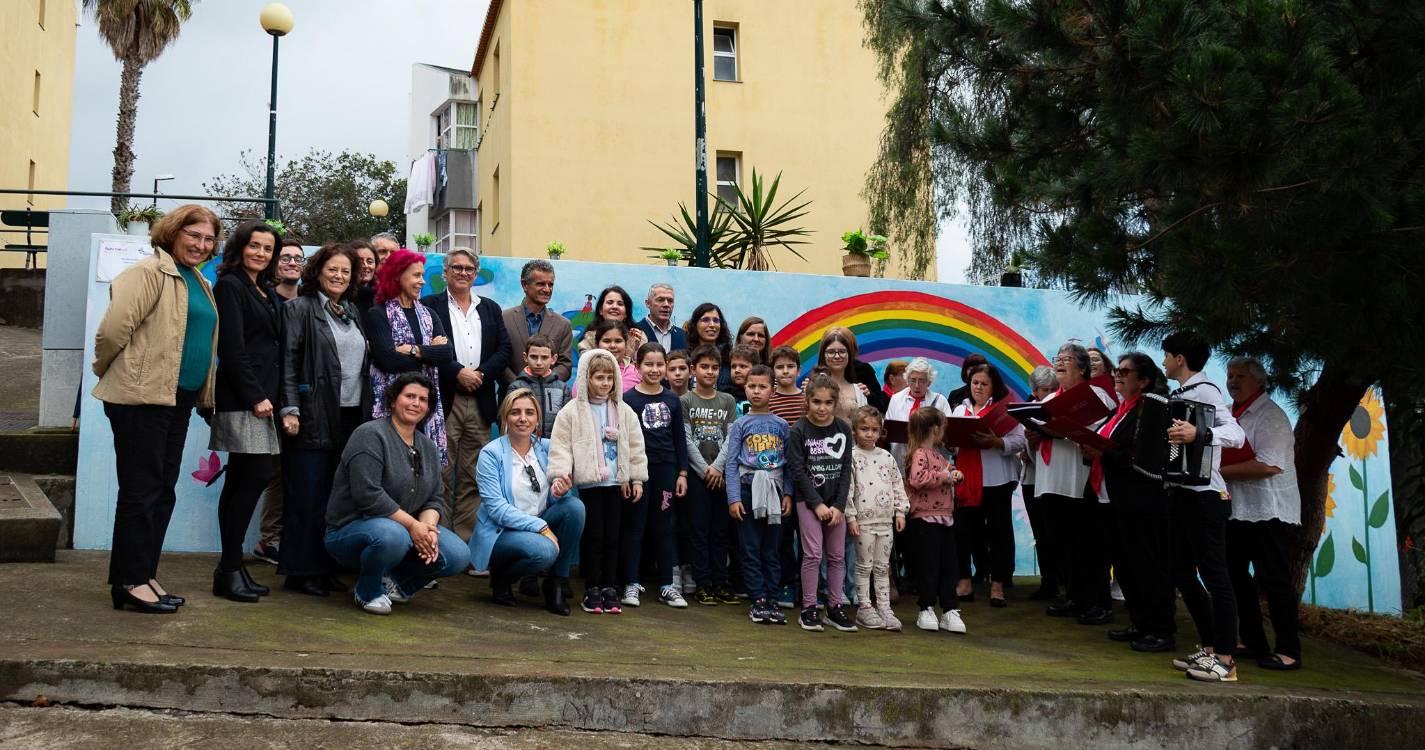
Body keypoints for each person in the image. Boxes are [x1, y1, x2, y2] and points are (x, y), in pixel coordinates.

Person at [94, 204, 222, 614]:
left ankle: (145, 572)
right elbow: (113, 330)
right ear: (172, 233)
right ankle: (129, 582)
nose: (202, 244)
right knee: (141, 490)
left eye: (208, 239)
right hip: (141, 398)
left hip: (176, 399)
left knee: (162, 489)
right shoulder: (148, 273)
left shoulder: (198, 280)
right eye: (194, 235)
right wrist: (111, 369)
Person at [323, 373, 472, 614]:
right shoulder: (369, 435)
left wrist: (428, 529)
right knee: (393, 536)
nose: (416, 403)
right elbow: (368, 495)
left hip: (405, 529)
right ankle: (367, 591)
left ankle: (397, 585)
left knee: (457, 554)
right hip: (351, 530)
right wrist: (413, 526)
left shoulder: (428, 447)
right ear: (393, 400)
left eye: (423, 399)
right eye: (410, 396)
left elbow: (435, 497)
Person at [279, 242, 368, 597]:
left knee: (335, 497)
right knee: (307, 495)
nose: (339, 276)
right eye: (333, 269)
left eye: (346, 271)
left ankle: (324, 565)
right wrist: (290, 409)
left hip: (349, 415)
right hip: (311, 415)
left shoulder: (351, 312)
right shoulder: (298, 309)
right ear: (317, 271)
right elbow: (287, 360)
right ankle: (300, 571)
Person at [1160, 331, 1245, 683]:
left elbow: (1236, 434)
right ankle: (1210, 647)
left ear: (1180, 358)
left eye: (1166, 355)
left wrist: (1202, 435)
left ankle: (1226, 659)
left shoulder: (1206, 391)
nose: (1163, 361)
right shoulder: (1180, 394)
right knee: (1181, 572)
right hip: (1183, 494)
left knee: (1216, 578)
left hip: (1206, 496)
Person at [209, 220, 283, 603]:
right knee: (251, 476)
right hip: (244, 400)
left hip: (264, 401)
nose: (261, 253)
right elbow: (233, 349)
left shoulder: (265, 291)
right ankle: (228, 567)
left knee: (243, 478)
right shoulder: (231, 285)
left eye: (268, 248)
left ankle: (232, 568)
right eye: (255, 245)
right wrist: (256, 396)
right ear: (241, 247)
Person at [1082, 352, 1176, 653]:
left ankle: (1161, 630)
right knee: (1125, 566)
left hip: (1141, 500)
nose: (1118, 375)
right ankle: (1140, 622)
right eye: (1117, 371)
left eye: (1125, 371)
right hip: (1113, 498)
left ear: (1144, 380)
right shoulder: (1120, 410)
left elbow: (1144, 457)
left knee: (1147, 566)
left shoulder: (1149, 410)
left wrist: (1103, 453)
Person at [421, 247, 511, 542]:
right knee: (441, 471)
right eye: (456, 268)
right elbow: (428, 348)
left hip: (482, 400)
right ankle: (441, 539)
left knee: (474, 474)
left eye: (468, 269)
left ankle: (465, 540)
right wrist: (457, 371)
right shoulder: (430, 305)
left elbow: (504, 350)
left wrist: (482, 374)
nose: (462, 273)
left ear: (476, 274)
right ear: (445, 272)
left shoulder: (490, 308)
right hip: (445, 400)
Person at [548, 349, 647, 615]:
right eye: (598, 378)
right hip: (590, 484)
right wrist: (561, 473)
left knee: (613, 537)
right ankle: (592, 587)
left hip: (616, 483)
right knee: (593, 536)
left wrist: (635, 477)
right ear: (585, 379)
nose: (605, 383)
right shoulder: (572, 412)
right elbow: (560, 446)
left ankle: (608, 587)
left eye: (609, 378)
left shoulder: (623, 411)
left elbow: (636, 446)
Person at [472, 389, 587, 615]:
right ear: (505, 417)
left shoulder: (547, 447)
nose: (523, 418)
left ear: (537, 419)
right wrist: (541, 528)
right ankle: (502, 578)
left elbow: (551, 499)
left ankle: (556, 580)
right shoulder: (491, 453)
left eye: (529, 413)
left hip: (538, 523)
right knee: (544, 551)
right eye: (515, 412)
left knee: (574, 507)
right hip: (503, 531)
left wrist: (559, 492)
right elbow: (497, 509)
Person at [1221, 356, 1302, 671]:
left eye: (1241, 376)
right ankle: (1253, 640)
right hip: (1237, 508)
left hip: (1270, 510)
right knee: (1235, 576)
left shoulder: (1271, 416)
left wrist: (1219, 469)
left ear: (1259, 381)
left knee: (1274, 580)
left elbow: (1269, 464)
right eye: (1230, 375)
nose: (1233, 382)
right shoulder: (1230, 414)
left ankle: (1289, 650)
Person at [1036, 344, 1117, 624]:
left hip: (1079, 478)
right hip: (1051, 478)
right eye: (1057, 359)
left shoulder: (1097, 395)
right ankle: (1074, 596)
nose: (1059, 363)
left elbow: (1105, 431)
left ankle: (1098, 602)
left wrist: (1069, 428)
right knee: (1060, 542)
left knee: (1087, 545)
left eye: (1067, 360)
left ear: (1082, 368)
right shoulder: (1049, 399)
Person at [365, 249, 453, 465]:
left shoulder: (429, 314)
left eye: (422, 275)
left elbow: (447, 354)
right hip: (391, 407)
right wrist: (429, 351)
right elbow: (388, 360)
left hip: (425, 408)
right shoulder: (378, 314)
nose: (422, 281)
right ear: (397, 276)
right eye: (416, 275)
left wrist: (413, 350)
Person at [950, 363, 1027, 608]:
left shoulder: (1003, 410)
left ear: (994, 386)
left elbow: (1020, 441)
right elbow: (950, 442)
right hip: (967, 480)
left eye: (984, 384)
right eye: (975, 383)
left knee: (998, 533)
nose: (979, 388)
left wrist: (996, 441)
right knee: (962, 531)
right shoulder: (960, 410)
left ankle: (998, 584)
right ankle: (964, 581)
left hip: (997, 480)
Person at [620, 343, 690, 608]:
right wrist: (626, 476)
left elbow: (679, 439)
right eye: (648, 364)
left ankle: (666, 585)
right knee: (635, 526)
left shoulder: (672, 399)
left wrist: (681, 472)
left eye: (659, 364)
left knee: (664, 526)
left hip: (665, 471)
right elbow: (624, 442)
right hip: (638, 472)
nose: (654, 369)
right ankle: (631, 583)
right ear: (637, 367)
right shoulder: (628, 400)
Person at [786, 373, 857, 632]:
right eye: (816, 402)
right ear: (807, 401)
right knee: (813, 554)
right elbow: (798, 471)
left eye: (828, 403)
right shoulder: (798, 430)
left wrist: (838, 505)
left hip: (835, 504)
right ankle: (808, 608)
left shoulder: (843, 429)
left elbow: (846, 469)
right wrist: (817, 504)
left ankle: (835, 607)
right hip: (809, 503)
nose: (822, 408)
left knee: (837, 556)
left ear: (835, 403)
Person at [253, 237, 307, 565]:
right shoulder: (267, 300)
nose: (291, 262)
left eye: (297, 258)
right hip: (270, 398)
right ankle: (269, 539)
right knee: (272, 471)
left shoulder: (310, 301)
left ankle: (288, 535)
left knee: (295, 471)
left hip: (302, 399)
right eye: (285, 257)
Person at [724, 365, 792, 625]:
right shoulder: (740, 424)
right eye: (752, 386)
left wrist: (788, 494)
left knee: (771, 549)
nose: (756, 391)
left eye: (762, 386)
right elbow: (731, 463)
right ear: (745, 388)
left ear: (772, 390)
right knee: (750, 548)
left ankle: (773, 599)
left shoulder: (782, 425)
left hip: (774, 491)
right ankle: (758, 600)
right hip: (748, 489)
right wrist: (734, 498)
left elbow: (788, 465)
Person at [681, 344, 740, 605]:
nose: (710, 372)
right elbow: (686, 440)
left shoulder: (728, 401)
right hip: (698, 476)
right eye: (704, 367)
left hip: (722, 475)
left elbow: (731, 440)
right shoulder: (685, 401)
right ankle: (703, 582)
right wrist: (705, 470)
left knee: (720, 531)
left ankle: (721, 581)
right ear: (694, 370)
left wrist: (718, 467)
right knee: (699, 530)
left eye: (715, 367)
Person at [846, 406, 909, 631]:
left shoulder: (887, 457)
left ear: (880, 431)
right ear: (854, 430)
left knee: (883, 567)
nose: (869, 434)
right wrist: (851, 516)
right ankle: (864, 607)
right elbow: (848, 489)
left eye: (874, 429)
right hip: (863, 522)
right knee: (864, 566)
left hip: (885, 522)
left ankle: (884, 607)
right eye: (864, 429)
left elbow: (896, 484)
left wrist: (900, 511)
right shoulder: (851, 457)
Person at [904, 408, 967, 634]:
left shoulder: (940, 457)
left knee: (949, 566)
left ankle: (950, 609)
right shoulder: (920, 455)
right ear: (935, 429)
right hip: (924, 519)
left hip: (945, 518)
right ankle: (926, 607)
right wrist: (946, 476)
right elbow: (917, 479)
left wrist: (956, 474)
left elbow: (950, 472)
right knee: (928, 566)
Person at [1020, 365, 1059, 600]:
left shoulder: (1057, 408)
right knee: (1041, 534)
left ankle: (1061, 579)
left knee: (1055, 533)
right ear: (1034, 391)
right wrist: (1028, 445)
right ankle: (1049, 581)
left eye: (1053, 388)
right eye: (1044, 389)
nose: (1049, 393)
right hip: (1033, 478)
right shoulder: (1026, 408)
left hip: (1053, 477)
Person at [501, 259, 573, 384]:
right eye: (541, 284)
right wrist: (518, 385)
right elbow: (499, 361)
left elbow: (565, 365)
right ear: (525, 285)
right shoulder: (504, 319)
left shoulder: (563, 324)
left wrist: (544, 384)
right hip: (512, 398)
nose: (547, 289)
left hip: (550, 399)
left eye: (550, 285)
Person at [884, 357, 952, 466]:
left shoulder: (940, 401)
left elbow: (949, 434)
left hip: (932, 464)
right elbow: (889, 429)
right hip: (901, 458)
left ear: (929, 382)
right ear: (907, 379)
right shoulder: (896, 399)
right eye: (913, 380)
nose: (916, 385)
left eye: (922, 381)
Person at [508, 334, 567, 439]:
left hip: (555, 446)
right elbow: (509, 421)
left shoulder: (562, 389)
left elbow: (568, 422)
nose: (539, 363)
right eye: (534, 357)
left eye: (544, 357)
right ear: (525, 357)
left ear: (553, 359)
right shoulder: (516, 387)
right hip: (524, 445)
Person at [815, 329, 871, 423]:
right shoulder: (814, 386)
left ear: (849, 355)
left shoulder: (859, 390)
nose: (837, 356)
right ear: (823, 355)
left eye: (842, 351)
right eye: (831, 352)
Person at [577, 285, 647, 361]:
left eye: (620, 304)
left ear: (626, 312)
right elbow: (588, 367)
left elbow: (645, 367)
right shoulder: (589, 338)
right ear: (600, 310)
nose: (614, 307)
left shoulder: (638, 337)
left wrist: (634, 351)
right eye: (610, 303)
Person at [684, 302, 732, 389]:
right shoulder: (685, 358)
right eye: (706, 320)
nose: (712, 325)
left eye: (716, 320)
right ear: (695, 325)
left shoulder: (729, 358)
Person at [587, 319, 640, 391]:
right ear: (597, 344)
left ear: (626, 344)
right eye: (606, 341)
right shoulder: (587, 371)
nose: (612, 346)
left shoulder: (636, 373)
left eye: (618, 341)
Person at [635, 283, 687, 352]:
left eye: (670, 301)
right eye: (660, 300)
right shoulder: (635, 331)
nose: (666, 304)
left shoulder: (683, 335)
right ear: (648, 303)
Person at [768, 345, 807, 424]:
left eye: (790, 366)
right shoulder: (767, 400)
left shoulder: (808, 399)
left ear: (799, 370)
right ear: (773, 371)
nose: (785, 371)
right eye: (780, 367)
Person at [350, 239, 379, 315]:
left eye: (370, 261)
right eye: (359, 261)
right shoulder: (340, 296)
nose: (366, 266)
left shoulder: (381, 296)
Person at [271, 237, 305, 302]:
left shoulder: (314, 301)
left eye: (298, 259)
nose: (293, 263)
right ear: (274, 263)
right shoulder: (262, 300)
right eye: (285, 259)